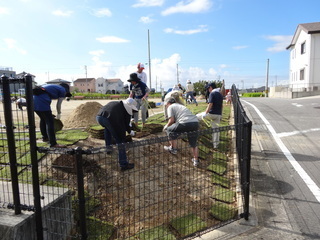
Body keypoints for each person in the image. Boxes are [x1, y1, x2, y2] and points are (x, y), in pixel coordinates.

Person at [96, 98, 138, 171]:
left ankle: (108, 149)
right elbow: (126, 124)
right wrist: (130, 132)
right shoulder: (126, 110)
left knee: (107, 130)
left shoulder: (117, 103)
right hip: (109, 119)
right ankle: (123, 164)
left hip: (99, 117)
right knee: (120, 139)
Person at [163, 97, 200, 166]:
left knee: (169, 130)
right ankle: (196, 160)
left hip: (184, 123)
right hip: (195, 122)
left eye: (166, 105)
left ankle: (173, 148)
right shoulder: (181, 106)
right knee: (193, 143)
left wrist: (166, 126)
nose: (166, 106)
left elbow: (171, 120)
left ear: (168, 103)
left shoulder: (170, 107)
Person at [33, 84, 72, 148]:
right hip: (42, 101)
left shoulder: (54, 87)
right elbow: (58, 105)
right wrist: (59, 113)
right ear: (66, 90)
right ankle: (53, 143)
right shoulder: (62, 90)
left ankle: (45, 137)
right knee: (50, 122)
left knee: (43, 119)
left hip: (34, 100)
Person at [200, 82, 223, 148]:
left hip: (211, 113)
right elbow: (221, 106)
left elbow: (210, 104)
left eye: (208, 88)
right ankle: (215, 145)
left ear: (210, 87)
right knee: (216, 129)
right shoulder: (220, 94)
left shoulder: (212, 93)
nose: (208, 90)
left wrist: (205, 113)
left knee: (198, 116)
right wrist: (221, 114)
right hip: (218, 114)